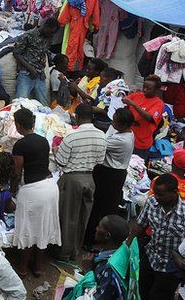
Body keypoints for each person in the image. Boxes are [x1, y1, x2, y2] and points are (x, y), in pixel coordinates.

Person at [127, 173, 185, 300]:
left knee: (160, 296)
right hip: (150, 257)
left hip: (171, 266)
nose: (157, 197)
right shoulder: (151, 202)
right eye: (155, 193)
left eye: (161, 195)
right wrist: (127, 244)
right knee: (142, 291)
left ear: (174, 192)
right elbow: (140, 224)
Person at [11, 108, 59, 277]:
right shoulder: (43, 140)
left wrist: (11, 191)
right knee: (42, 228)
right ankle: (38, 267)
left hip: (33, 190)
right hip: (50, 187)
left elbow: (17, 173)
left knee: (27, 229)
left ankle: (23, 268)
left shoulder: (20, 144)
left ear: (18, 124)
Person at [55, 102, 107, 261]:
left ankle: (64, 252)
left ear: (77, 117)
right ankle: (75, 251)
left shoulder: (71, 136)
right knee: (83, 217)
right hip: (90, 178)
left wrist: (55, 151)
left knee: (68, 216)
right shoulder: (101, 135)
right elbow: (100, 160)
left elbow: (61, 162)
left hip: (72, 179)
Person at [84, 108, 135, 248]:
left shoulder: (122, 140)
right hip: (111, 173)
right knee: (103, 205)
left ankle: (92, 241)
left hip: (110, 175)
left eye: (115, 121)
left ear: (124, 125)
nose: (112, 123)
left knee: (99, 207)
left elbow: (98, 144)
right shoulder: (125, 132)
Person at [64, 215, 132, 300]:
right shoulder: (120, 252)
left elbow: (97, 297)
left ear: (107, 235)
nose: (96, 228)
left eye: (99, 227)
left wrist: (87, 270)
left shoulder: (110, 268)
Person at [13, 18, 59, 106]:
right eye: (51, 31)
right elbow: (16, 53)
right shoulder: (28, 35)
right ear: (46, 27)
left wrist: (43, 60)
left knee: (44, 105)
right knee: (19, 103)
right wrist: (30, 69)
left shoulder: (49, 38)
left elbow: (44, 52)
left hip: (40, 74)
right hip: (26, 73)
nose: (52, 34)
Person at [124, 75, 166, 158]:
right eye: (144, 87)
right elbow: (124, 100)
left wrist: (134, 105)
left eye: (148, 88)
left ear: (156, 90)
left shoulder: (158, 103)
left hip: (141, 143)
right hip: (128, 138)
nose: (145, 90)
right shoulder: (137, 95)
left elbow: (150, 118)